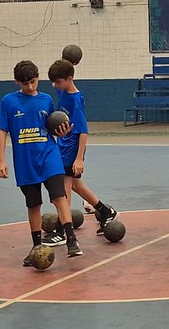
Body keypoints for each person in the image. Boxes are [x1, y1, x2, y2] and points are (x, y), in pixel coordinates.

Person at [0, 60, 83, 266]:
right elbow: (1, 131)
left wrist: (62, 132)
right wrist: (1, 160)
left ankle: (72, 240)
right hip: (25, 162)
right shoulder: (8, 102)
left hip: (49, 156)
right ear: (17, 82)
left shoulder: (46, 100)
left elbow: (51, 127)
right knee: (33, 204)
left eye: (33, 82)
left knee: (59, 196)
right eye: (25, 84)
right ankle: (36, 247)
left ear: (38, 79)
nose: (30, 87)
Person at [46, 59, 118, 243]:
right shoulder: (62, 89)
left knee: (65, 188)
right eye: (53, 82)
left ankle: (63, 231)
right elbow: (61, 74)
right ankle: (106, 211)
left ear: (69, 79)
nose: (55, 85)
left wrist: (79, 159)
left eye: (58, 82)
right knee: (77, 185)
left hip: (72, 149)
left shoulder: (75, 100)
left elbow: (84, 131)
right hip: (62, 145)